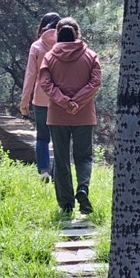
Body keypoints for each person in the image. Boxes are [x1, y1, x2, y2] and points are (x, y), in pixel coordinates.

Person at [39, 17, 101, 216]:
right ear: (78, 33)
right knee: (84, 157)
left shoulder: (49, 57)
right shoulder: (91, 56)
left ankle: (66, 205)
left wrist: (65, 102)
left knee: (61, 158)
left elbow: (46, 84)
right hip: (84, 115)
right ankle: (82, 188)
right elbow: (95, 83)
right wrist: (77, 102)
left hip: (58, 116)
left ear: (58, 33)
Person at [20, 12, 60, 183]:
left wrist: (24, 102)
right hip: (61, 99)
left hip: (41, 99)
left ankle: (44, 171)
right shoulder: (67, 45)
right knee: (60, 138)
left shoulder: (37, 46)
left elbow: (30, 76)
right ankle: (58, 172)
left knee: (42, 137)